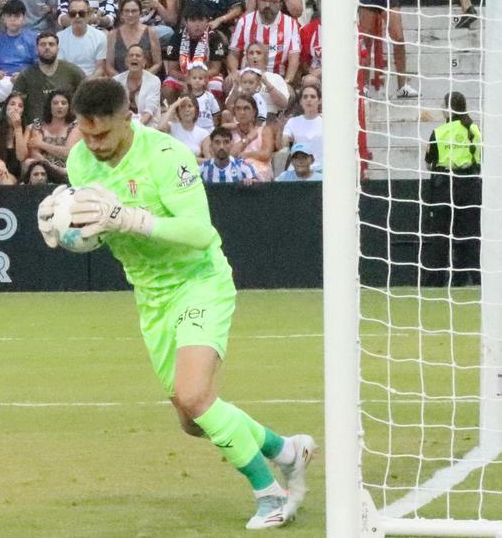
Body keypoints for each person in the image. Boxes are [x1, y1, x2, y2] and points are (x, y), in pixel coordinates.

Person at [38, 81, 315, 527]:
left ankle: (271, 494)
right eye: (86, 135)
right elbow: (98, 227)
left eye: (103, 135)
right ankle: (287, 450)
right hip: (151, 295)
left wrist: (130, 218)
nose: (94, 145)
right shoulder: (79, 159)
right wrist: (68, 230)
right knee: (192, 417)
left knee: (194, 396)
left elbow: (200, 232)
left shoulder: (169, 158)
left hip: (198, 281)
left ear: (127, 118)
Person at [424, 90, 481, 287]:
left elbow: (429, 162)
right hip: (470, 185)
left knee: (441, 236)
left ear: (448, 109)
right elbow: (479, 158)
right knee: (470, 234)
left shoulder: (439, 132)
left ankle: (437, 280)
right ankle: (470, 278)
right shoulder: (474, 130)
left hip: (445, 186)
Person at [228, 0, 301, 89]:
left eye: (273, 1)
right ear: (257, 1)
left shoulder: (291, 23)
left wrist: (287, 82)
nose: (267, 5)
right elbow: (233, 53)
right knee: (228, 82)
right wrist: (234, 73)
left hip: (277, 78)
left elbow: (294, 57)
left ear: (280, 4)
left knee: (288, 92)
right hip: (248, 77)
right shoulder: (244, 21)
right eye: (264, 0)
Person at [162, 3, 229, 104]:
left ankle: (216, 117)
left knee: (216, 86)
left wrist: (196, 78)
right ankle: (174, 116)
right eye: (193, 20)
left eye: (201, 20)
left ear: (207, 21)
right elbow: (172, 69)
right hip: (183, 76)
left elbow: (215, 69)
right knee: (168, 87)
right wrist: (188, 78)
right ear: (186, 22)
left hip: (207, 76)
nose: (197, 25)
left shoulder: (215, 37)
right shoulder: (177, 37)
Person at [12, 31, 84, 119]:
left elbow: (86, 97)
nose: (47, 47)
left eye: (51, 44)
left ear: (58, 49)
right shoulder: (26, 75)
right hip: (35, 128)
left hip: (67, 127)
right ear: (36, 49)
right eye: (43, 44)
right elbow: (14, 103)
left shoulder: (73, 71)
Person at [27, 89, 79, 183]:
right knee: (28, 163)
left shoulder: (75, 125)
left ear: (69, 106)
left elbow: (68, 153)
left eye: (63, 103)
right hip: (43, 169)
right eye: (55, 103)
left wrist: (41, 144)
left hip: (66, 168)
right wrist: (51, 168)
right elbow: (34, 153)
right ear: (49, 106)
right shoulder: (38, 124)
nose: (59, 106)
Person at [219, 94, 274, 182]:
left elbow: (266, 154)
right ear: (234, 112)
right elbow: (229, 156)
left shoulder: (264, 130)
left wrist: (246, 155)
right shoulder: (230, 132)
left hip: (261, 172)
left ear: (254, 112)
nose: (242, 112)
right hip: (236, 172)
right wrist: (247, 139)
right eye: (238, 108)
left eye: (246, 108)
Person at [105, 0, 160, 77]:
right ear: (121, 14)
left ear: (140, 13)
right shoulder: (112, 35)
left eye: (134, 11)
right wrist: (123, 80)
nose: (130, 14)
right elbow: (109, 66)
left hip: (145, 80)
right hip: (120, 82)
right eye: (127, 11)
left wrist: (143, 78)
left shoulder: (150, 32)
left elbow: (157, 63)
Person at [113, 44, 162, 126]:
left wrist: (136, 130)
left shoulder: (154, 81)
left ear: (144, 62)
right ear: (126, 61)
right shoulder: (116, 81)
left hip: (148, 128)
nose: (134, 58)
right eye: (131, 55)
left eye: (138, 56)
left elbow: (149, 112)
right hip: (123, 127)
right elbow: (115, 110)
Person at [57, 0, 107, 77]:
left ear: (89, 15)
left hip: (92, 82)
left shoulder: (100, 37)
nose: (77, 17)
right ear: (68, 16)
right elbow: (60, 68)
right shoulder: (59, 37)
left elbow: (100, 69)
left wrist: (87, 84)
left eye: (81, 13)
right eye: (73, 13)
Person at [282, 80, 322, 167]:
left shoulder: (327, 122)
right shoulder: (292, 121)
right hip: (298, 170)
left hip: (321, 170)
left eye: (313, 97)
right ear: (300, 102)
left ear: (319, 101)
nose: (309, 100)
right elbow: (283, 143)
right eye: (305, 97)